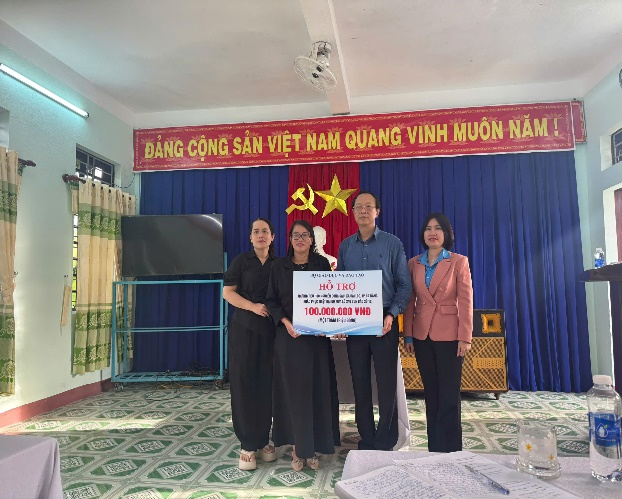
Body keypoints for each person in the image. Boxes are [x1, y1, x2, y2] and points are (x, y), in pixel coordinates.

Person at [336, 191, 411, 451]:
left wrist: (391, 315)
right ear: (353, 212)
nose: (363, 211)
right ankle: (366, 437)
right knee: (360, 382)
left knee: (387, 383)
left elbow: (404, 285)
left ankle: (386, 439)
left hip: (384, 320)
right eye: (359, 207)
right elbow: (340, 287)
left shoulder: (392, 244)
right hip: (356, 322)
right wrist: (340, 322)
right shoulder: (346, 246)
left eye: (369, 206)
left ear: (377, 212)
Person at [265, 219, 340, 471]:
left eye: (305, 235)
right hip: (290, 338)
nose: (300, 239)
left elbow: (330, 298)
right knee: (294, 394)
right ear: (289, 239)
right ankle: (298, 448)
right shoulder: (279, 266)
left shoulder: (321, 264)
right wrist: (286, 323)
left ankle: (313, 447)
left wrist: (330, 324)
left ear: (311, 240)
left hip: (316, 340)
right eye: (295, 235)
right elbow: (271, 301)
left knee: (317, 391)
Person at [403, 212, 473, 453]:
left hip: (451, 336)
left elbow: (466, 301)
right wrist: (408, 334)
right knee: (431, 394)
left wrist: (465, 336)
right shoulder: (414, 263)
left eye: (437, 228)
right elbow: (410, 301)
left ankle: (451, 450)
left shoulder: (458, 261)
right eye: (428, 228)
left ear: (446, 234)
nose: (432, 233)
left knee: (449, 395)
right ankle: (435, 448)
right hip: (422, 336)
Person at [223, 217, 278, 470]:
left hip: (271, 333)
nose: (260, 235)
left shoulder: (279, 264)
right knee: (244, 384)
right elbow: (228, 293)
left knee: (266, 384)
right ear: (250, 237)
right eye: (256, 231)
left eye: (265, 231)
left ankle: (264, 439)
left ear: (272, 237)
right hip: (244, 330)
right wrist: (253, 307)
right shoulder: (241, 261)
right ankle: (247, 443)